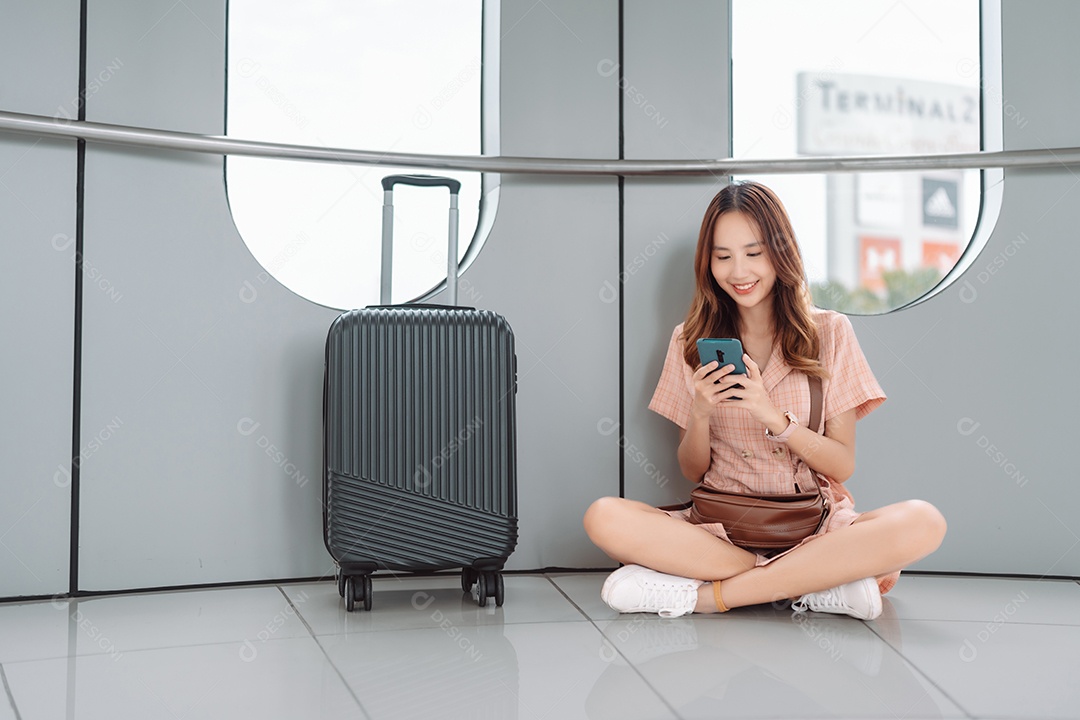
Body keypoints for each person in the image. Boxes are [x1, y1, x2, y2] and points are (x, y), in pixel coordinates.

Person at [583, 181, 946, 620]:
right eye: (723, 256)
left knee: (923, 522)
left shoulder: (829, 333)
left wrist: (772, 416)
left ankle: (709, 596)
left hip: (812, 528)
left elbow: (842, 465)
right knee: (603, 516)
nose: (739, 271)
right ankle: (809, 585)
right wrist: (699, 413)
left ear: (780, 253)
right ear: (708, 262)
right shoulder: (690, 340)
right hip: (720, 531)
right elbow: (691, 470)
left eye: (754, 254)